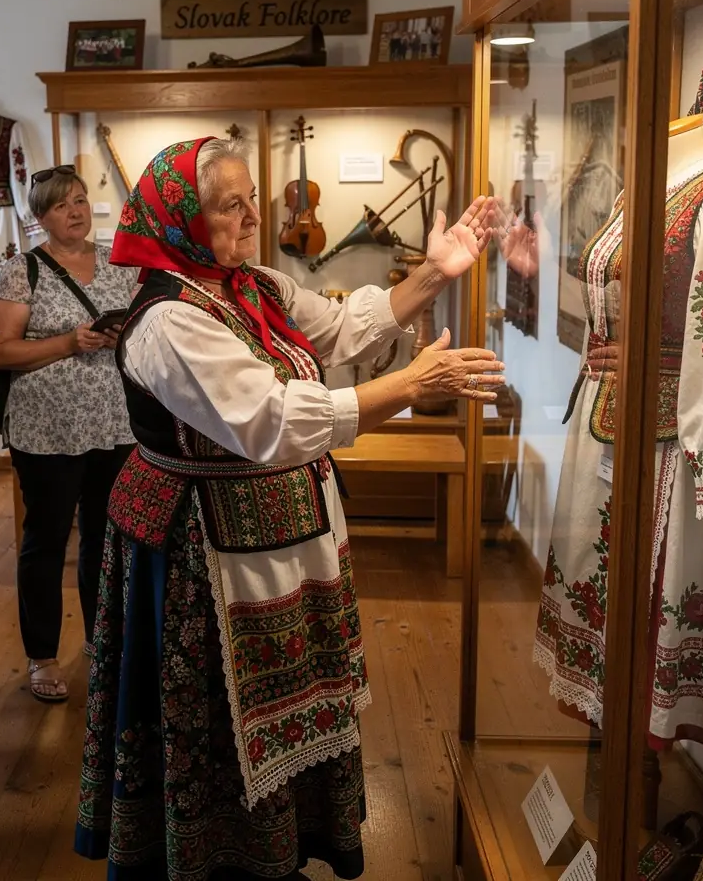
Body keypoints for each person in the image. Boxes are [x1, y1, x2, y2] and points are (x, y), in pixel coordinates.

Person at [75, 137, 503, 880]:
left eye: (250, 198)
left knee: (295, 697)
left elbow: (337, 329)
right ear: (179, 220)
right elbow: (269, 421)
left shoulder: (251, 285)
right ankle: (215, 859)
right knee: (215, 713)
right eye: (228, 205)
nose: (250, 217)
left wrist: (435, 271)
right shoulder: (169, 321)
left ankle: (279, 849)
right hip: (199, 555)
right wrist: (406, 388)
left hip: (284, 538)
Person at [0, 165, 137, 703]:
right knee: (47, 541)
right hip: (46, 427)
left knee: (104, 539)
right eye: (60, 206)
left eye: (79, 200)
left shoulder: (121, 264)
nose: (74, 211)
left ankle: (101, 642)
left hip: (115, 423)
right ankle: (42, 657)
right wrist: (70, 342)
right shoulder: (21, 270)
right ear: (41, 217)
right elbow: (0, 351)